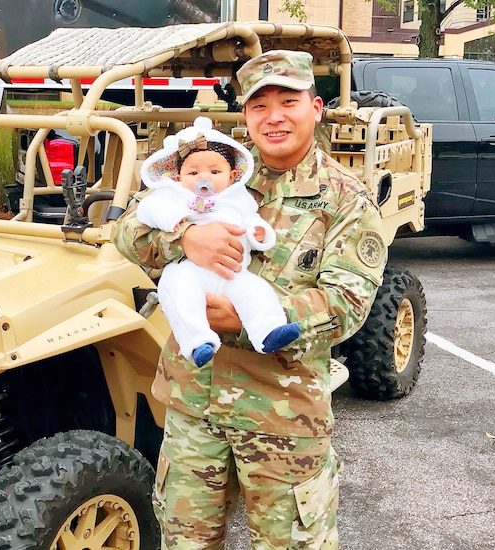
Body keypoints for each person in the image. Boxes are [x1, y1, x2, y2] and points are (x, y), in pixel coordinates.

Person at [114, 49, 388, 549]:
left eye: (289, 100)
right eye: (259, 106)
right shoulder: (218, 169)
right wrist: (183, 239)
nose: (274, 116)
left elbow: (347, 303)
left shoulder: (346, 198)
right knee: (185, 542)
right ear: (245, 115)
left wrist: (240, 318)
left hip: (282, 416)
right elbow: (128, 229)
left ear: (316, 107)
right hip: (194, 405)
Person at [136, 116, 301, 367]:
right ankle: (196, 341)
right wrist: (182, 228)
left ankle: (268, 330)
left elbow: (250, 221)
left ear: (233, 175)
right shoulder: (174, 195)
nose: (205, 178)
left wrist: (258, 234)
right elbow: (146, 210)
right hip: (189, 270)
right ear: (179, 177)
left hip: (232, 272)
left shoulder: (237, 197)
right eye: (193, 172)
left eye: (215, 172)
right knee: (178, 291)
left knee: (256, 291)